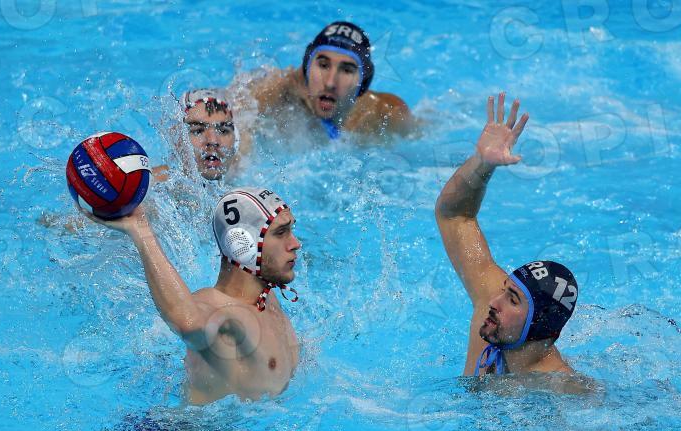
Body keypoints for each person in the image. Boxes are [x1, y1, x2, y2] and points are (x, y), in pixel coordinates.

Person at [81, 187, 301, 404]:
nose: (295, 244)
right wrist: (140, 230)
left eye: (290, 230)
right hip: (196, 428)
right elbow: (187, 322)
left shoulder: (267, 297)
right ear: (243, 244)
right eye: (281, 233)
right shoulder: (224, 313)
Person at [435, 93, 580, 378]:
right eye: (505, 290)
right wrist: (482, 164)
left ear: (538, 327)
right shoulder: (493, 316)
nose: (493, 302)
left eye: (512, 299)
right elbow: (454, 215)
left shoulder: (560, 387)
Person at [241, 21, 414, 140]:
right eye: (323, 65)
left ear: (363, 82)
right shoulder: (276, 92)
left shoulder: (386, 114)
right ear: (307, 68)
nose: (330, 83)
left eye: (347, 70)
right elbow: (233, 117)